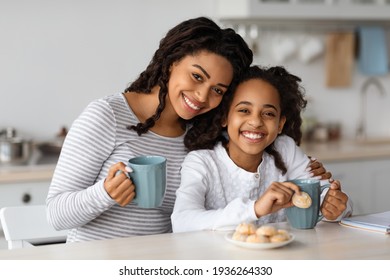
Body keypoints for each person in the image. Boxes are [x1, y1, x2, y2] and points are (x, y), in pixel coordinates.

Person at [46, 16, 253, 242]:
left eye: (218, 90)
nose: (203, 96)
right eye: (196, 76)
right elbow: (56, 215)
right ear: (172, 61)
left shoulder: (201, 134)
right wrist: (105, 193)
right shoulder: (108, 115)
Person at [171, 65, 352, 232]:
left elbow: (334, 201)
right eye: (244, 110)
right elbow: (182, 221)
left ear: (280, 124)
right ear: (224, 117)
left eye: (268, 114)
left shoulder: (285, 149)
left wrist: (335, 208)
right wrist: (254, 209)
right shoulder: (202, 162)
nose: (256, 122)